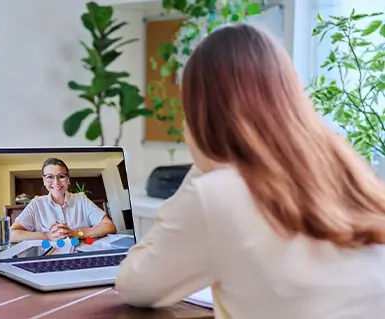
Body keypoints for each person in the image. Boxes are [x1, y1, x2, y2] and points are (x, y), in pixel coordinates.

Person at [115, 23, 385, 318]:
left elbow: (135, 283)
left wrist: (205, 167)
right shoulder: (349, 172)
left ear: (202, 115)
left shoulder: (218, 194)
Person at [10, 157, 117, 242]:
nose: (56, 182)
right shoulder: (36, 204)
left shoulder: (81, 200)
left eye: (61, 176)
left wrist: (75, 233)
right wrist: (47, 235)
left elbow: (109, 226)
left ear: (68, 180)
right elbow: (11, 234)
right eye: (50, 177)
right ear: (44, 181)